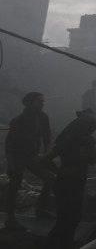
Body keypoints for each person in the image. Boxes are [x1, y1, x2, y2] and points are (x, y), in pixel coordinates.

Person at [44, 108, 96, 249]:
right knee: (64, 220)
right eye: (90, 125)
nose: (92, 128)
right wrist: (59, 172)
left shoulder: (88, 141)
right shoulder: (68, 140)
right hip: (64, 185)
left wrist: (92, 145)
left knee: (73, 219)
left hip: (78, 185)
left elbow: (92, 160)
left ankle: (65, 245)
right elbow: (44, 160)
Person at [4, 92, 55, 231]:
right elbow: (9, 143)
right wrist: (11, 163)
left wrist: (46, 155)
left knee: (50, 179)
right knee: (14, 187)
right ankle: (11, 219)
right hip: (18, 157)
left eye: (43, 101)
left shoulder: (43, 117)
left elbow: (47, 137)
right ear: (30, 103)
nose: (42, 104)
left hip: (33, 157)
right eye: (39, 101)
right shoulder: (19, 120)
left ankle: (41, 209)